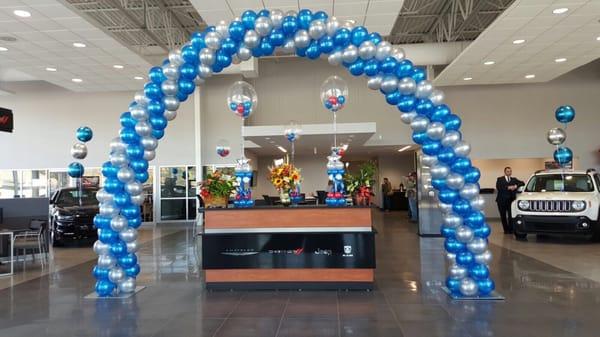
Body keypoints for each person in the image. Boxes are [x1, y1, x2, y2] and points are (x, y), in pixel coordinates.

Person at [495, 167, 525, 234]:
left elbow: (522, 183)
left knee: (511, 216)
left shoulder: (514, 179)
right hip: (501, 200)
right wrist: (508, 187)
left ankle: (511, 230)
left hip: (511, 200)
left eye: (510, 171)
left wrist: (515, 186)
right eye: (508, 171)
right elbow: (498, 187)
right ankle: (506, 230)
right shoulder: (500, 179)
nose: (509, 172)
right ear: (505, 172)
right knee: (503, 216)